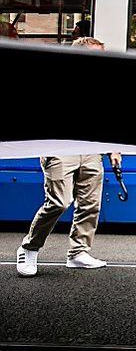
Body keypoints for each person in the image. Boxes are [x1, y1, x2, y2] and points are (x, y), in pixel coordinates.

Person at [16, 37, 120, 277]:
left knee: (90, 204)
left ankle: (78, 252)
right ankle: (29, 247)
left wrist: (113, 149)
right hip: (60, 147)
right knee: (59, 202)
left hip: (91, 148)